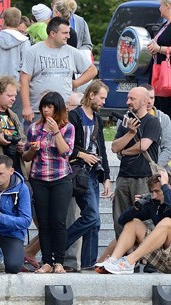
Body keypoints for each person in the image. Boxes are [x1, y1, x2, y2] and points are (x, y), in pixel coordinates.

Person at [22, 91, 75, 274]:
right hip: (39, 178)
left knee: (58, 220)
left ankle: (58, 261)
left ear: (57, 108)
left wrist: (55, 132)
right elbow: (26, 156)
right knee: (43, 222)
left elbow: (65, 153)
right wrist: (32, 150)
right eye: (44, 106)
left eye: (50, 107)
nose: (46, 110)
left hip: (60, 178)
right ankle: (46, 261)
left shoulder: (68, 127)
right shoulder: (35, 128)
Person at [65, 80, 110, 269]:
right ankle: (59, 245)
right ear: (91, 95)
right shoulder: (74, 116)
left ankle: (88, 264)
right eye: (101, 98)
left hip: (93, 174)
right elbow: (65, 145)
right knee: (92, 216)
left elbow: (102, 149)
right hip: (78, 172)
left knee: (95, 222)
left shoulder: (98, 119)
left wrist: (106, 177)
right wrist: (82, 154)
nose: (103, 102)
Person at [20, 17, 97, 124]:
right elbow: (24, 80)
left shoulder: (71, 51)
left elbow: (92, 70)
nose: (68, 36)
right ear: (53, 33)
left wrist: (75, 83)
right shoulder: (33, 51)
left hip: (63, 111)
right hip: (39, 111)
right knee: (36, 141)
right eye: (65, 33)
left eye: (68, 32)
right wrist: (26, 107)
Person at [111, 86, 161, 236]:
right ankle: (122, 257)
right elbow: (114, 147)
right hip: (123, 177)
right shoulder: (126, 121)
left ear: (145, 101)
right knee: (119, 221)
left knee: (143, 221)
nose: (128, 102)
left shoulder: (152, 122)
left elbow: (144, 145)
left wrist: (124, 151)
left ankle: (143, 257)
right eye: (128, 98)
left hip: (143, 179)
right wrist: (130, 133)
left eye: (132, 98)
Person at [100, 170, 171, 274]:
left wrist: (164, 185)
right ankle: (113, 260)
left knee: (167, 222)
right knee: (133, 223)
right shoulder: (154, 204)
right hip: (163, 258)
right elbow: (122, 220)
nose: (154, 196)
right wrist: (136, 207)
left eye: (157, 191)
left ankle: (129, 260)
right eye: (152, 192)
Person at [0, 76, 27, 176]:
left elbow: (22, 138)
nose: (13, 99)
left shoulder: (12, 115)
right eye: (9, 95)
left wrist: (22, 145)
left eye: (14, 96)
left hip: (15, 167)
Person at [0, 7, 30, 81]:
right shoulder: (24, 42)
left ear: (3, 21)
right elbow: (26, 69)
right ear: (18, 22)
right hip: (15, 86)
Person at [147, 0, 171, 116]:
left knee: (167, 107)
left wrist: (159, 48)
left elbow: (161, 47)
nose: (159, 8)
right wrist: (153, 48)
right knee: (159, 107)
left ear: (167, 6)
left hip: (168, 73)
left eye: (160, 5)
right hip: (158, 71)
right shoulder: (165, 25)